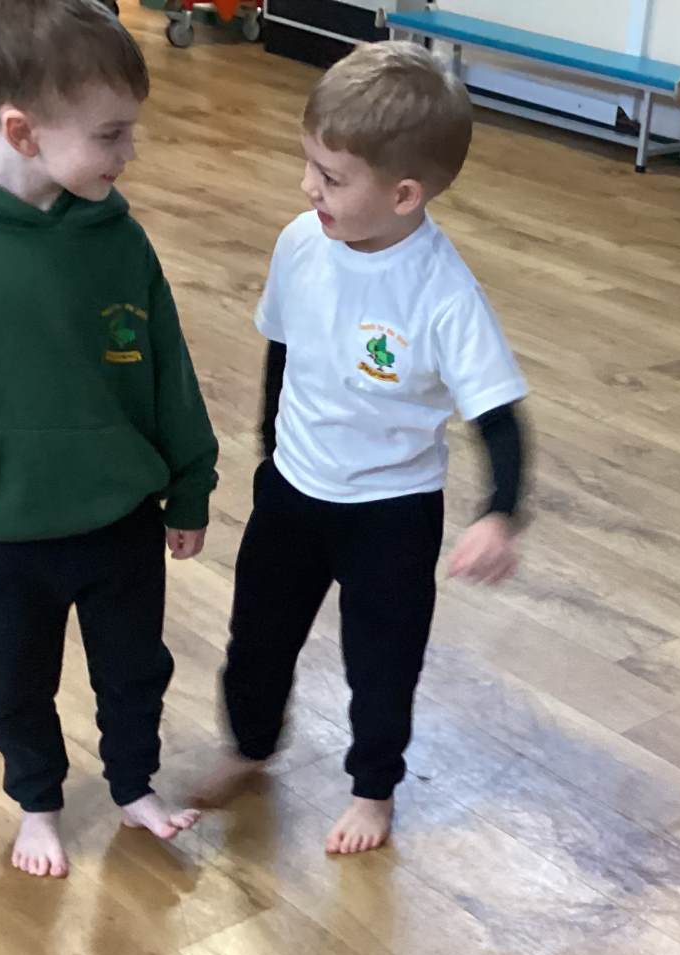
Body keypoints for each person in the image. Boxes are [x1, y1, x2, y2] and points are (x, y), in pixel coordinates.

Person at [0, 0, 217, 879]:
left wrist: (190, 484)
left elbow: (167, 371)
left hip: (121, 518)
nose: (129, 153)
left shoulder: (118, 237)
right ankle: (38, 802)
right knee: (12, 682)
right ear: (21, 131)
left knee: (135, 669)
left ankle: (133, 785)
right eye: (110, 135)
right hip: (5, 528)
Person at [192, 41, 529, 856]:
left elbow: (498, 415)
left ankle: (373, 789)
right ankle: (249, 746)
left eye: (332, 177)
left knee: (382, 664)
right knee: (257, 638)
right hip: (292, 491)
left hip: (391, 513)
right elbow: (281, 346)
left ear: (405, 194)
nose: (309, 187)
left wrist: (500, 513)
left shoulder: (444, 295)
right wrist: (271, 447)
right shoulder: (300, 243)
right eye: (309, 164)